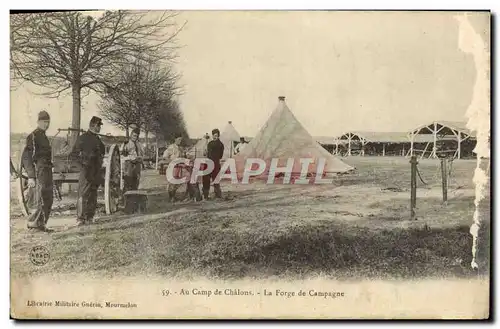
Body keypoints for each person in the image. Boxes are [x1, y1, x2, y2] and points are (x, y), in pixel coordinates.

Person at [70, 116, 105, 226]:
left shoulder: (98, 139)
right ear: (94, 125)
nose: (100, 128)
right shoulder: (83, 138)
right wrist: (82, 167)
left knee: (93, 194)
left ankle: (90, 217)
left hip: (96, 171)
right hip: (86, 170)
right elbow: (74, 155)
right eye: (99, 126)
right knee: (83, 194)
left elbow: (102, 151)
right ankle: (80, 218)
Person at [22, 110, 54, 232]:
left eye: (48, 122)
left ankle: (42, 224)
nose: (46, 125)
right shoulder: (33, 136)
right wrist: (31, 176)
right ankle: (33, 225)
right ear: (38, 122)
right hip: (37, 171)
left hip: (46, 171)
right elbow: (27, 157)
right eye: (44, 122)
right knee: (36, 198)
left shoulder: (45, 137)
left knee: (47, 198)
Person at [203, 128, 224, 200]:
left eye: (216, 135)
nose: (215, 136)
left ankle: (208, 195)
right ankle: (216, 195)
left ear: (218, 135)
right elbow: (220, 156)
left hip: (212, 163)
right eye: (214, 135)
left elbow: (207, 153)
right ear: (212, 135)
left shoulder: (215, 144)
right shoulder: (220, 144)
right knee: (212, 179)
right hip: (212, 163)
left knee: (210, 179)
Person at [121, 128, 143, 194]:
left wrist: (140, 158)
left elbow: (141, 153)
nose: (135, 137)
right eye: (134, 135)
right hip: (129, 164)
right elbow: (122, 155)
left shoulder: (138, 144)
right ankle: (125, 197)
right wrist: (131, 158)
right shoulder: (126, 144)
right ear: (131, 135)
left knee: (136, 180)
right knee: (128, 180)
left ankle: (134, 196)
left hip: (137, 164)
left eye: (137, 136)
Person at [162, 137, 184, 202]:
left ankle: (173, 196)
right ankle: (171, 197)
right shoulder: (171, 147)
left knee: (178, 182)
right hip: (172, 167)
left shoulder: (180, 148)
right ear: (175, 139)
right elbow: (165, 156)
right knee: (172, 182)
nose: (180, 141)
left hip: (179, 167)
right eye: (178, 139)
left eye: (181, 140)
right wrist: (170, 161)